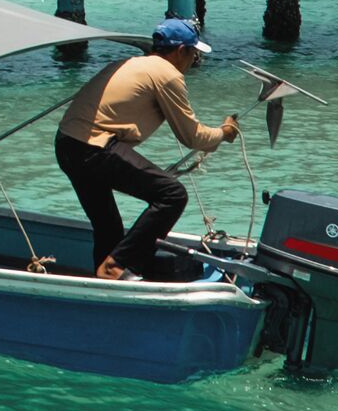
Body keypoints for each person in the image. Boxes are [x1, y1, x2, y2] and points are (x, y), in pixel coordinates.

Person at [52, 18, 240, 281]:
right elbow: (192, 136)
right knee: (172, 194)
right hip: (93, 147)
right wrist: (224, 133)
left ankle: (106, 279)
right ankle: (116, 265)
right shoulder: (167, 73)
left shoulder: (131, 63)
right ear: (180, 51)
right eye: (193, 53)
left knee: (109, 227)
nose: (194, 60)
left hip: (67, 144)